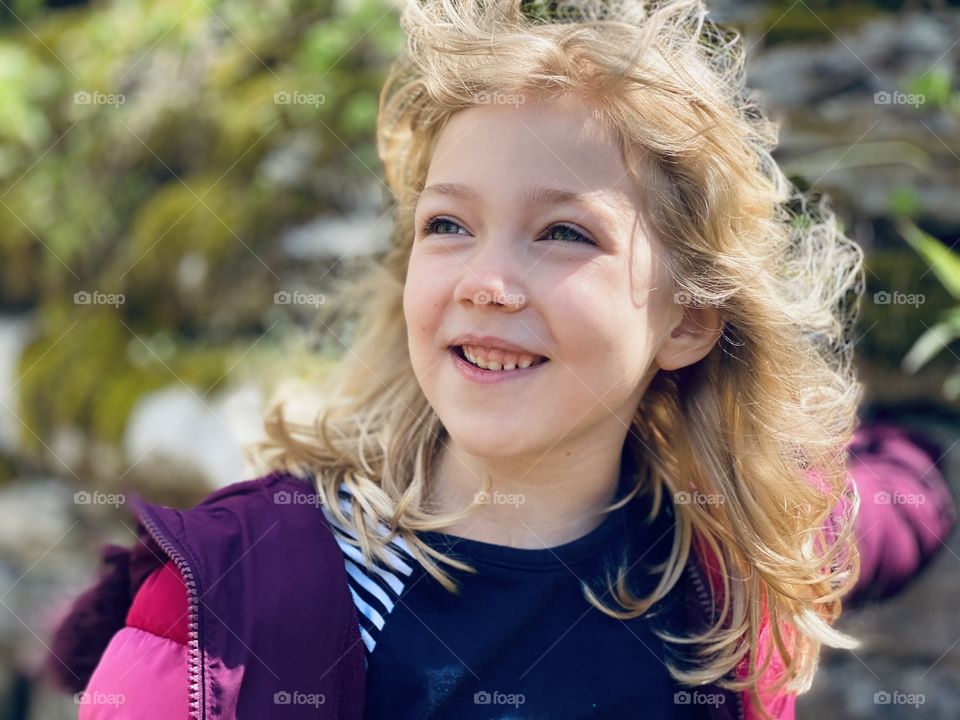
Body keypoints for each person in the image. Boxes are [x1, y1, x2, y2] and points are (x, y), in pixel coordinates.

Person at [40, 0, 957, 718]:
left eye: (562, 232)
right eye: (449, 226)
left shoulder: (725, 557)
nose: (485, 280)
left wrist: (929, 458)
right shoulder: (233, 603)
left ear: (687, 323)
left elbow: (862, 520)